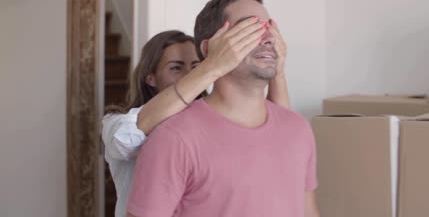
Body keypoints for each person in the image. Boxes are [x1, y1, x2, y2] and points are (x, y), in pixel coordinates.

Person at [126, 0, 320, 217]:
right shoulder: (174, 139)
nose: (268, 38)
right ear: (210, 49)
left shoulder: (298, 128)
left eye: (269, 27)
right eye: (250, 28)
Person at [102, 28, 289, 217]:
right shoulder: (115, 123)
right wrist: (212, 67)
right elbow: (125, 138)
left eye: (195, 66)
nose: (188, 75)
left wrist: (278, 72)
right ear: (151, 77)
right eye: (176, 67)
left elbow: (279, 138)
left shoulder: (215, 121)